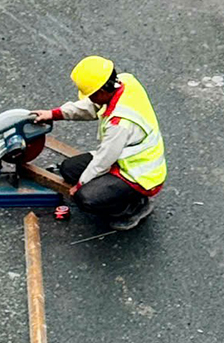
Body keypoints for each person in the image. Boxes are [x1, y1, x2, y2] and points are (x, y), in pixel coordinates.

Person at [34, 55, 165, 230]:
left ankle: (134, 207)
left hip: (140, 175)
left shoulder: (120, 123)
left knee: (84, 198)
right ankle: (115, 192)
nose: (90, 99)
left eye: (91, 95)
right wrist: (55, 114)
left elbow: (104, 159)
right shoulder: (125, 82)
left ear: (102, 92)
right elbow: (90, 107)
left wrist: (81, 185)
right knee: (68, 169)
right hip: (122, 159)